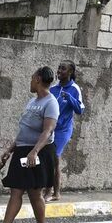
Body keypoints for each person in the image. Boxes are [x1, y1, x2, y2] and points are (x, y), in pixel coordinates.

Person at [0, 67, 60, 223]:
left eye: (32, 77)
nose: (30, 81)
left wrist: (34, 152)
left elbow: (48, 131)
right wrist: (11, 149)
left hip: (38, 152)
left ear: (38, 79)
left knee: (35, 192)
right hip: (22, 150)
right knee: (16, 189)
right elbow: (24, 129)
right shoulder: (32, 101)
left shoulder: (51, 103)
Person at [47, 61, 85, 202]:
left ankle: (51, 192)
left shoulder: (74, 89)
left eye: (63, 69)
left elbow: (80, 110)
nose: (59, 71)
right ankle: (53, 191)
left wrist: (70, 99)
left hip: (63, 130)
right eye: (59, 68)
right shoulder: (53, 89)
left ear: (70, 72)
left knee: (54, 158)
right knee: (50, 160)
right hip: (50, 129)